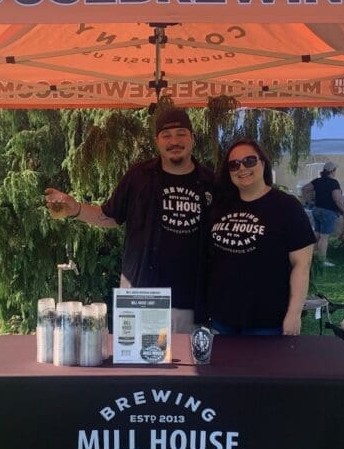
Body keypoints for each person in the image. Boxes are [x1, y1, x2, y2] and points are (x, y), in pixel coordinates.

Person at [44, 108, 216, 334]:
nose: (174, 140)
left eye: (181, 133)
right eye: (167, 135)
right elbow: (109, 216)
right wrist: (76, 209)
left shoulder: (210, 182)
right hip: (139, 295)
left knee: (187, 367)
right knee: (137, 367)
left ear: (192, 138)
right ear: (157, 141)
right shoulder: (138, 177)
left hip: (189, 302)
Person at [205, 140, 315, 336]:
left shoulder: (287, 206)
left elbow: (302, 264)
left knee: (264, 368)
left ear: (263, 164)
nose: (242, 168)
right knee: (223, 368)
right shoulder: (220, 206)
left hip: (267, 320)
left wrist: (294, 313)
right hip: (222, 317)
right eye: (234, 164)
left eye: (249, 161)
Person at [304, 162, 344, 267]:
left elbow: (305, 189)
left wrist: (309, 201)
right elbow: (338, 200)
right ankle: (321, 261)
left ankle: (310, 257)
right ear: (332, 171)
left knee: (317, 234)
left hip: (317, 210)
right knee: (324, 237)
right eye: (335, 170)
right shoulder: (334, 183)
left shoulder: (317, 181)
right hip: (328, 212)